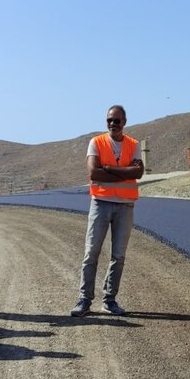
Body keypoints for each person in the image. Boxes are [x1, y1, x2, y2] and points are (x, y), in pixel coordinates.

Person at [71, 104, 144, 317]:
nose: (113, 124)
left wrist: (110, 168)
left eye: (117, 120)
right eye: (109, 120)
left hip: (125, 206)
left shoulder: (133, 144)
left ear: (124, 122)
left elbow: (138, 172)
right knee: (91, 252)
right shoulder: (96, 142)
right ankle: (84, 299)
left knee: (118, 255)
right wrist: (124, 172)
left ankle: (109, 300)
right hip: (100, 203)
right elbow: (94, 173)